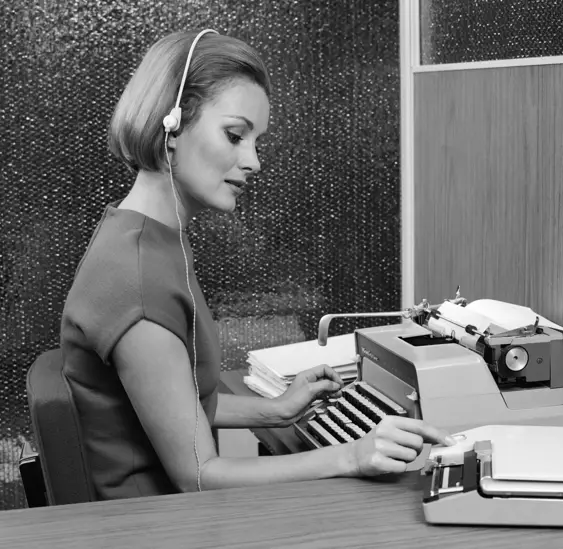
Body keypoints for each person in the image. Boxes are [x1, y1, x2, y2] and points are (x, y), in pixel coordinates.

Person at [60, 29, 456, 501]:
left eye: (256, 140)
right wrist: (351, 456)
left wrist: (277, 410)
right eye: (234, 135)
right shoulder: (139, 278)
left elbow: (168, 404)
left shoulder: (141, 237)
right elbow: (199, 475)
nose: (253, 161)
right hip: (155, 525)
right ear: (172, 124)